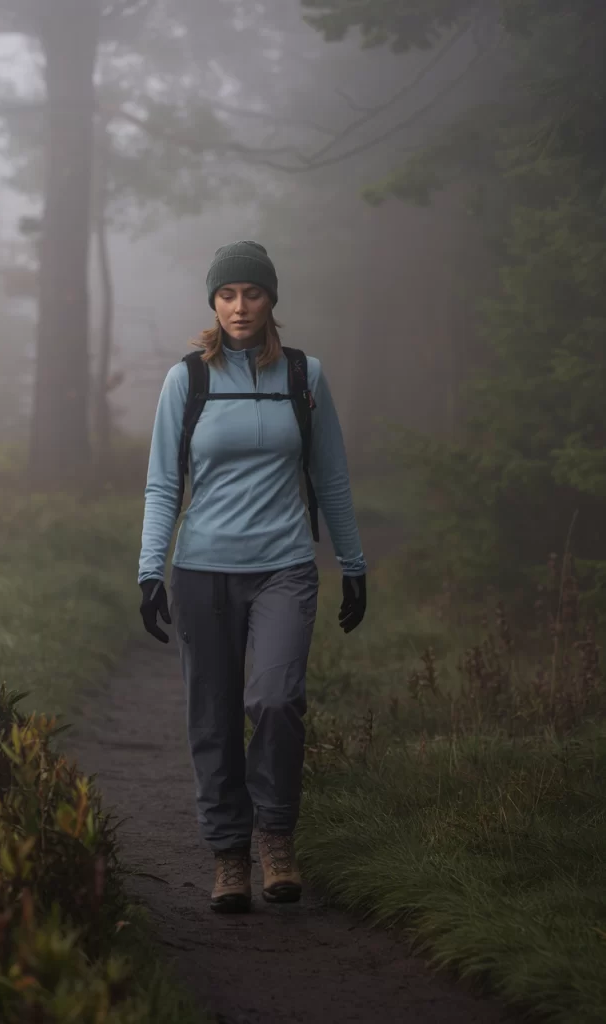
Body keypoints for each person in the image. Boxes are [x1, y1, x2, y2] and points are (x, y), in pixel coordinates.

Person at [138, 240, 367, 914]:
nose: (240, 306)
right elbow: (160, 485)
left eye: (253, 293)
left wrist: (352, 565)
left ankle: (275, 838)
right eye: (228, 293)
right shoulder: (188, 379)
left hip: (284, 567)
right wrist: (150, 571)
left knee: (273, 699)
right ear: (213, 301)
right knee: (210, 715)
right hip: (201, 571)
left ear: (272, 300)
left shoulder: (304, 376)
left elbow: (330, 480)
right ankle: (228, 854)